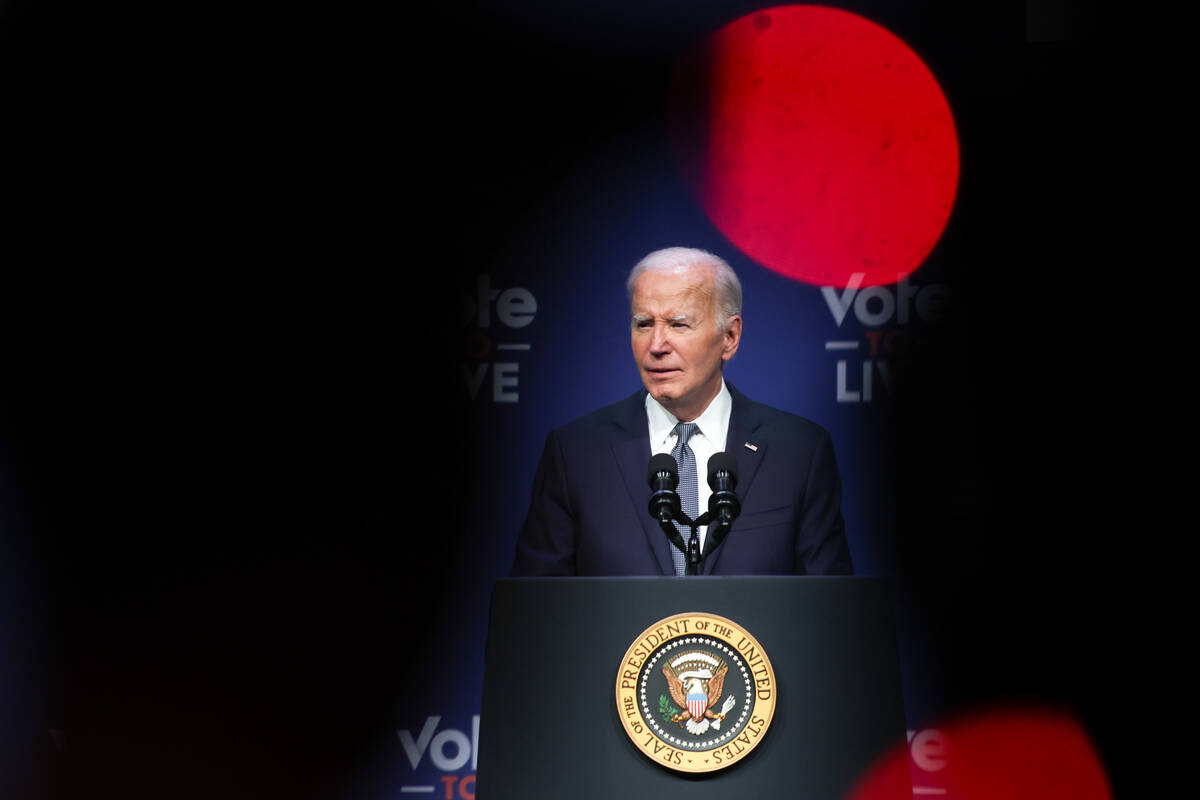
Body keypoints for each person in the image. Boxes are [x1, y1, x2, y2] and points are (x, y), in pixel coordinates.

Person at [511, 247, 853, 576]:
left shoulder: (799, 452)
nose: (656, 345)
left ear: (730, 336)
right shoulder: (575, 453)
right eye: (643, 324)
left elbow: (830, 613)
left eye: (678, 324)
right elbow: (535, 613)